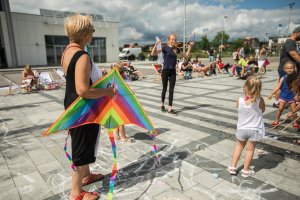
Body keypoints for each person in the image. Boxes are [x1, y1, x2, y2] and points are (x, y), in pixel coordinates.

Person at [61, 14, 116, 200]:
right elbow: (83, 90)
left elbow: (74, 80)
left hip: (72, 106)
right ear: (85, 34)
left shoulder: (67, 51)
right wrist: (107, 92)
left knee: (81, 144)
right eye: (92, 30)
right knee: (81, 148)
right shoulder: (82, 56)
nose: (93, 33)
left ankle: (86, 176)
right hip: (83, 109)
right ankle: (76, 193)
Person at [228, 76, 265, 177]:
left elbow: (237, 106)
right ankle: (245, 171)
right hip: (254, 130)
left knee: (238, 147)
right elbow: (263, 110)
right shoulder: (260, 100)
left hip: (241, 129)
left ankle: (232, 167)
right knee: (250, 150)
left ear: (245, 87)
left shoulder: (239, 100)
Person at [151, 33, 193, 114]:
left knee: (171, 90)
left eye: (175, 39)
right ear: (169, 40)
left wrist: (190, 48)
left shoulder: (176, 49)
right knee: (164, 89)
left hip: (173, 71)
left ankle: (170, 108)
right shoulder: (165, 48)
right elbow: (153, 53)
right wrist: (156, 44)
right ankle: (162, 105)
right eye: (172, 39)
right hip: (165, 71)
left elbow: (186, 56)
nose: (174, 41)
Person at [274, 26, 300, 107]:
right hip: (286, 68)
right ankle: (277, 102)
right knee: (282, 85)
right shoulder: (290, 42)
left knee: (289, 84)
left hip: (288, 68)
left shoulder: (292, 42)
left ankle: (288, 100)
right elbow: (293, 54)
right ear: (298, 33)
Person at [268, 61, 299, 128]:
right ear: (284, 69)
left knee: (293, 110)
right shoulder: (283, 78)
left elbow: (298, 88)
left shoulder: (296, 78)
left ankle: (295, 122)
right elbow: (278, 87)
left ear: (294, 69)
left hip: (292, 97)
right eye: (287, 68)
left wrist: (297, 95)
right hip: (283, 96)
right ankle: (276, 120)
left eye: (291, 68)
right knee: (280, 108)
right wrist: (272, 94)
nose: (289, 69)